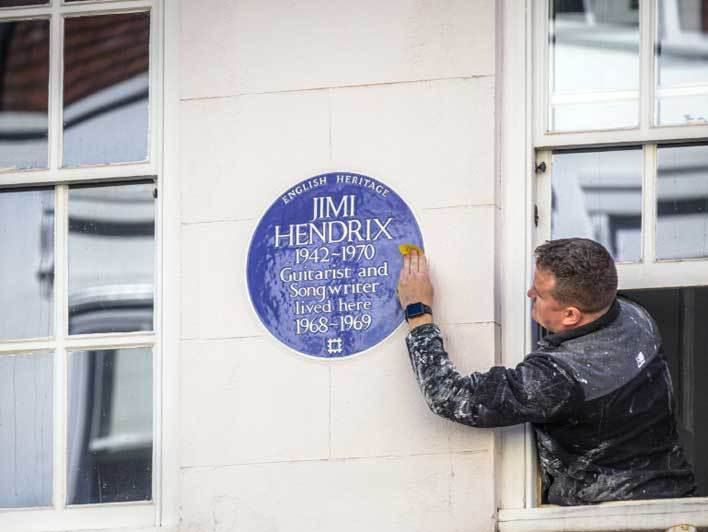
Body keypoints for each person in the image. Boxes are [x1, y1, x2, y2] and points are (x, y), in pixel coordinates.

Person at [397, 237, 695, 506]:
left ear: (570, 315)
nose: (529, 294)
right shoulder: (635, 317)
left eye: (538, 294)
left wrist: (418, 312)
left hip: (613, 517)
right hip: (675, 496)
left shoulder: (559, 377)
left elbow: (448, 395)